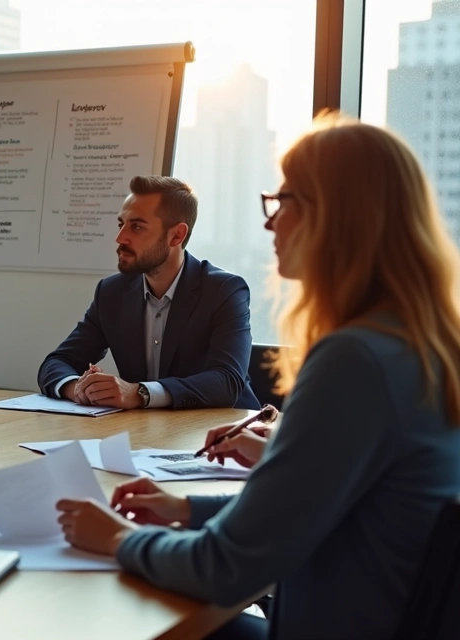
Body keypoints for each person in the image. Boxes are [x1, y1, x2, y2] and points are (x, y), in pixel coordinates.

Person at [55, 115, 460, 640]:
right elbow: (311, 507)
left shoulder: (354, 360)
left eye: (283, 201)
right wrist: (186, 508)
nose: (271, 223)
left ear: (336, 216)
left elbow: (227, 566)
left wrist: (117, 538)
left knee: (109, 621)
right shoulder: (419, 342)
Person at [37, 175, 260, 410]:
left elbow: (227, 381)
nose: (120, 238)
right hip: (146, 428)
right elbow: (58, 362)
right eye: (121, 225)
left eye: (137, 227)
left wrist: (139, 393)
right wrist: (78, 388)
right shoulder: (112, 292)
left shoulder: (224, 290)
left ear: (177, 235)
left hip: (224, 426)